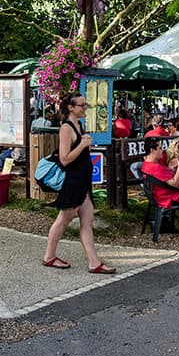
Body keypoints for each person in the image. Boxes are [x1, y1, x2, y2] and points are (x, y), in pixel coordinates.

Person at [41, 92, 115, 273]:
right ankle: (49, 256)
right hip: (73, 183)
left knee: (87, 221)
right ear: (71, 108)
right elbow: (65, 159)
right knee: (64, 219)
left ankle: (94, 262)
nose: (85, 108)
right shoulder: (66, 128)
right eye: (81, 105)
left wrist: (84, 145)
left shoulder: (78, 125)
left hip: (83, 182)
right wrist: (82, 145)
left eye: (85, 105)